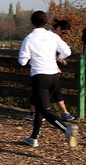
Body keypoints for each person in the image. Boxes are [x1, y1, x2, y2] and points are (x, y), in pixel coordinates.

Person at [18, 10, 78, 148]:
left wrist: (30, 58)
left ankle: (66, 129)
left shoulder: (29, 38)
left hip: (40, 77)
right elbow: (67, 52)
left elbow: (22, 61)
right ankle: (33, 138)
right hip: (54, 76)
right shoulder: (52, 36)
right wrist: (57, 57)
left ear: (32, 23)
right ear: (45, 22)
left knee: (45, 110)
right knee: (40, 107)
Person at [28, 19, 75, 122]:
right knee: (39, 92)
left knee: (53, 90)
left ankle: (63, 113)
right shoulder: (48, 36)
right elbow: (41, 52)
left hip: (49, 68)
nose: (64, 35)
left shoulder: (53, 37)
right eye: (63, 32)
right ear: (58, 28)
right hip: (40, 67)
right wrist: (56, 58)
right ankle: (34, 113)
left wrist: (57, 58)